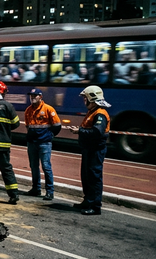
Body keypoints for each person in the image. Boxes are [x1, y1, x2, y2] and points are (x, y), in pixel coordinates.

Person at [69, 86, 111, 216]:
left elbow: (97, 132)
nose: (84, 101)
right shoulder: (92, 112)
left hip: (95, 151)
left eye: (85, 98)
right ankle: (88, 201)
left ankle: (95, 206)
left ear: (91, 98)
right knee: (86, 177)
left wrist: (79, 131)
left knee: (94, 178)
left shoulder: (100, 114)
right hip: (89, 150)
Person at [23, 88, 61, 200]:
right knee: (34, 166)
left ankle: (50, 191)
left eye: (35, 96)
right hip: (32, 143)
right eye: (31, 96)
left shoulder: (48, 109)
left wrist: (49, 136)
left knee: (46, 166)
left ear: (41, 96)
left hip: (44, 143)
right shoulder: (28, 110)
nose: (32, 98)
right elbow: (28, 126)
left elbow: (57, 125)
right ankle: (36, 188)